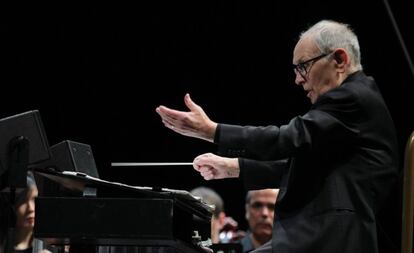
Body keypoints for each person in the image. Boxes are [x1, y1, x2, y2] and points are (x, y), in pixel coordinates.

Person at [156, 19, 399, 253]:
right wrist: (233, 167)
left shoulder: (353, 98)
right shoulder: (350, 105)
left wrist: (212, 131)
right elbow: (299, 164)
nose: (298, 79)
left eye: (303, 65)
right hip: (323, 234)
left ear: (339, 59)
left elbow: (287, 139)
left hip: (333, 238)